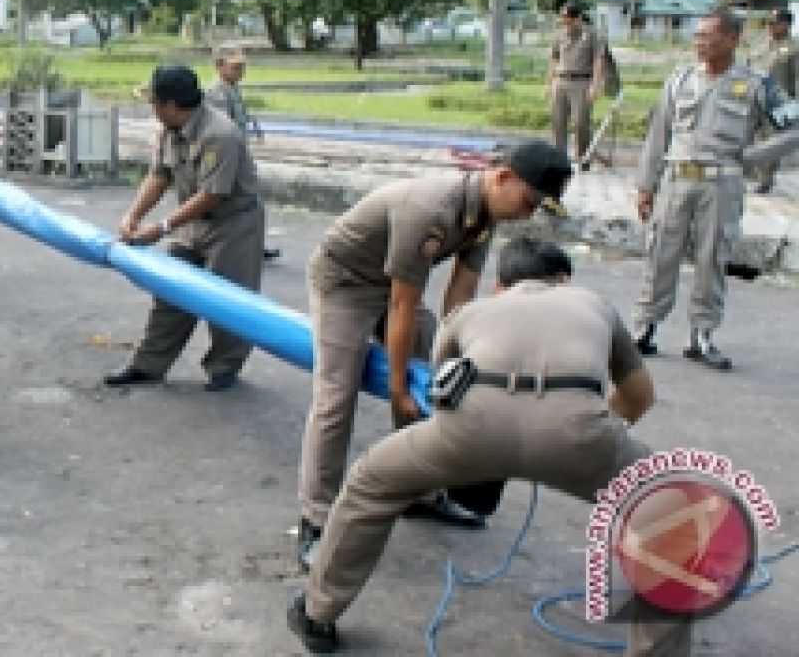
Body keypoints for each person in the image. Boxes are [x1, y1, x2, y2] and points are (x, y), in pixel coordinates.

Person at [287, 237, 689, 656]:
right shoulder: (595, 305)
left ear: (500, 283)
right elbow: (639, 395)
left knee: (370, 482)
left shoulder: (470, 313)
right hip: (578, 430)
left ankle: (317, 613)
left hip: (473, 427)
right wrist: (590, 435)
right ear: (564, 280)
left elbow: (440, 394)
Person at [296, 140, 573, 571]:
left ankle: (417, 490)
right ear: (503, 177)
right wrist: (398, 388)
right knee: (336, 395)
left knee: (437, 379)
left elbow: (459, 299)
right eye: (530, 200)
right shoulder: (431, 209)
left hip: (394, 288)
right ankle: (315, 520)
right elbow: (402, 306)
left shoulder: (484, 215)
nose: (529, 213)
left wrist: (467, 360)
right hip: (345, 282)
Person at [632, 6, 799, 370]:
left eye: (708, 35)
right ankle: (646, 327)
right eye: (698, 35)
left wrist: (751, 158)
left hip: (721, 182)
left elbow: (793, 127)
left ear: (732, 39)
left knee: (712, 257)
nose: (700, 42)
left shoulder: (757, 84)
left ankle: (702, 334)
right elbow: (657, 135)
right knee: (660, 252)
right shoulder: (680, 79)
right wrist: (646, 185)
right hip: (676, 179)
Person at [103, 65, 265, 393]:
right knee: (170, 291)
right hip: (193, 222)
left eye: (155, 103)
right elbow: (160, 175)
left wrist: (162, 226)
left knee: (226, 302)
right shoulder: (170, 130)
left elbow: (213, 194)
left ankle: (224, 367)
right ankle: (148, 365)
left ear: (171, 105)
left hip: (231, 225)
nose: (153, 110)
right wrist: (132, 215)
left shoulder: (220, 134)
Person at [206, 44, 280, 262]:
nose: (240, 72)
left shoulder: (232, 88)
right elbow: (222, 131)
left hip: (239, 155)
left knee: (248, 203)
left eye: (242, 67)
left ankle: (252, 244)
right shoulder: (216, 93)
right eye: (235, 67)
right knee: (243, 202)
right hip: (229, 158)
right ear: (219, 67)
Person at [745, 7, 798, 193]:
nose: (770, 26)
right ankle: (753, 172)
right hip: (755, 99)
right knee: (753, 136)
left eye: (774, 23)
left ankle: (765, 179)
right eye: (768, 23)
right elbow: (748, 67)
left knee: (772, 140)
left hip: (780, 103)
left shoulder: (794, 49)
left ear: (786, 25)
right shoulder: (759, 45)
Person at [547, 3, 606, 164]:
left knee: (581, 122)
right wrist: (549, 83)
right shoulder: (559, 35)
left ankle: (582, 157)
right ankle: (558, 159)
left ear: (578, 18)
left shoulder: (593, 35)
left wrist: (596, 84)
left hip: (581, 82)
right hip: (560, 81)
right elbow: (553, 58)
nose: (565, 24)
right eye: (563, 20)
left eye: (568, 20)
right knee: (558, 122)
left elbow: (598, 60)